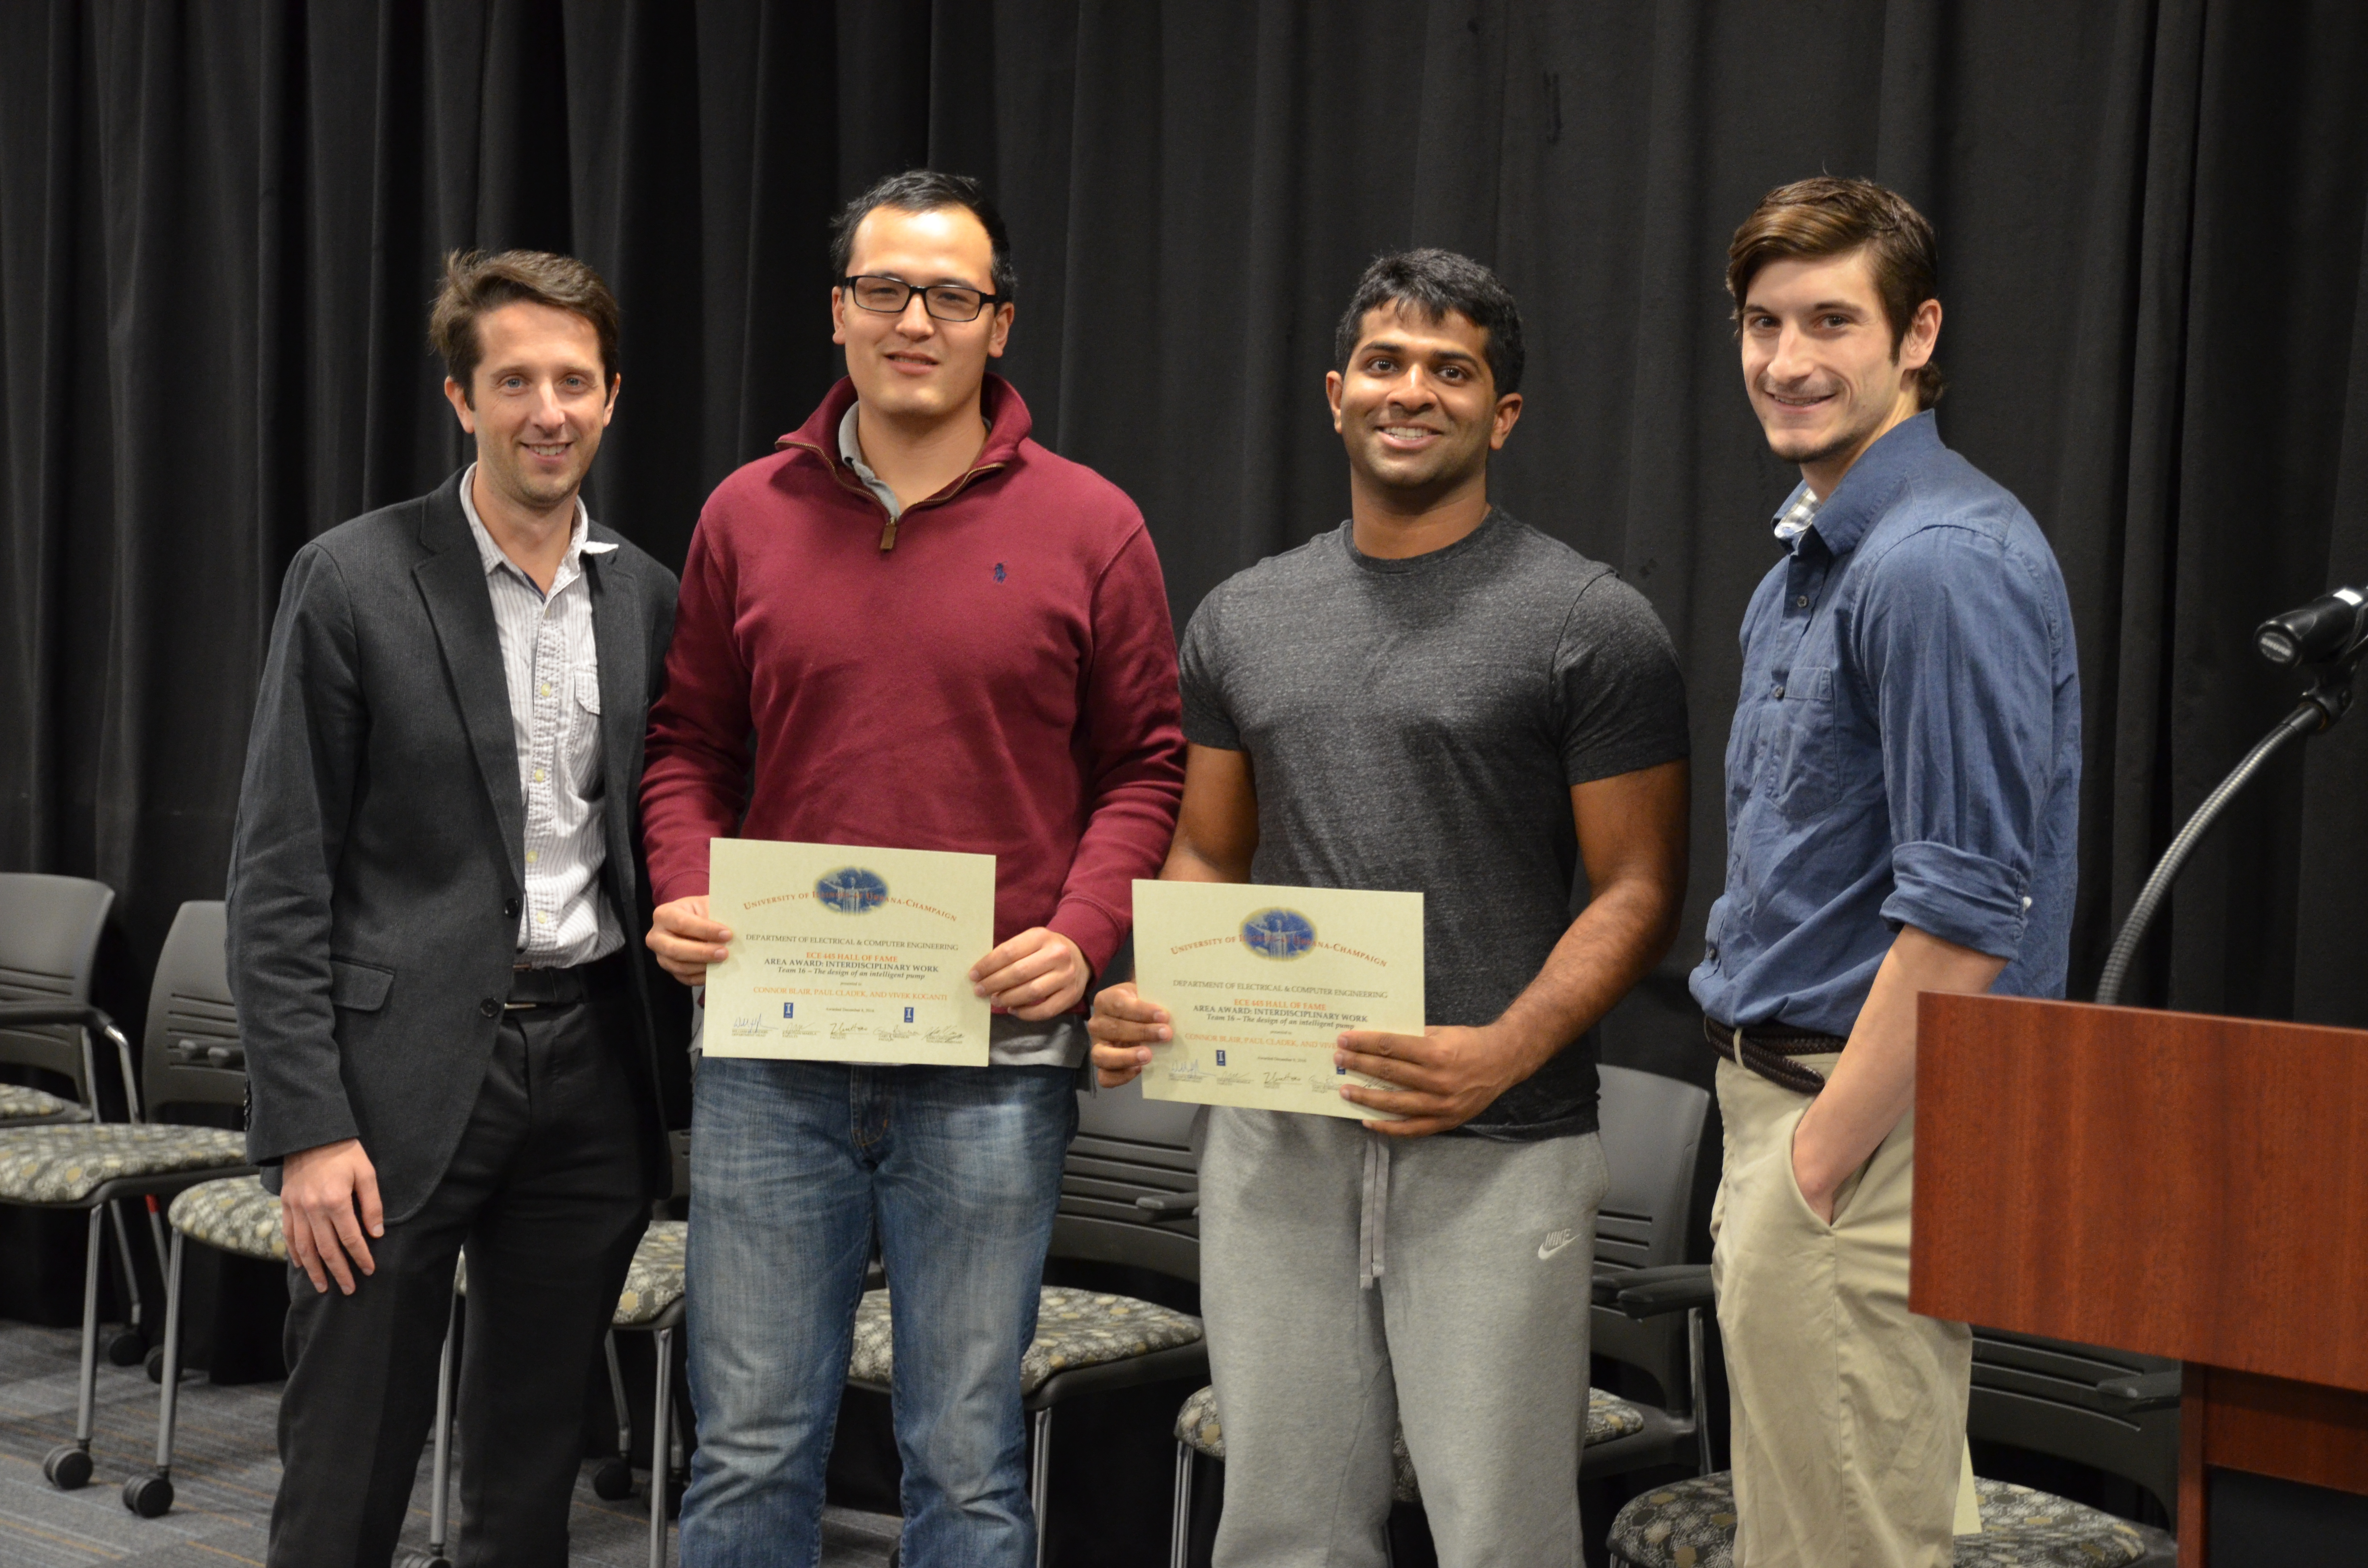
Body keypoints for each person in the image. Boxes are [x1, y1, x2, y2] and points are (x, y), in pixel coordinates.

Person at [1091, 249, 1691, 1568]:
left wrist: (1503, 1053)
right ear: (1336, 392)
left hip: (1499, 1142)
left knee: (1500, 1538)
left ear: (1504, 412)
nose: (1412, 390)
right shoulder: (1245, 614)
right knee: (1283, 1527)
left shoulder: (1591, 623)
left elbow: (1641, 888)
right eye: (1386, 362)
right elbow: (1205, 850)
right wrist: (1157, 990)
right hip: (1276, 1139)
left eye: (1451, 369)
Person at [640, 169, 1186, 1567]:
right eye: (884, 289)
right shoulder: (744, 515)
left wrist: (1081, 932)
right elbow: (688, 743)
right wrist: (681, 881)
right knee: (750, 1448)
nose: (915, 320)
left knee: (967, 1459)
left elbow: (1145, 769)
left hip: (996, 1063)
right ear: (839, 313)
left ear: (999, 323)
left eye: (952, 294)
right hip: (771, 1054)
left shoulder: (1094, 525)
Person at [227, 249, 687, 1566]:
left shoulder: (647, 595)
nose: (549, 409)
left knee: (533, 1471)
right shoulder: (354, 578)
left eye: (575, 382)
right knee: (347, 1467)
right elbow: (277, 873)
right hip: (391, 1086)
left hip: (593, 1071)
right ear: (460, 398)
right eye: (516, 380)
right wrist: (306, 1127)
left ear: (611, 400)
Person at [1692, 177, 2082, 1568]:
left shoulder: (1933, 566)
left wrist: (1812, 1166)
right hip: (1811, 1118)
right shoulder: (1821, 556)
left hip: (1857, 1138)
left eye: (1831, 321)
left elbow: (1970, 916)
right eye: (1761, 322)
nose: (1787, 361)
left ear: (1918, 335)